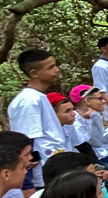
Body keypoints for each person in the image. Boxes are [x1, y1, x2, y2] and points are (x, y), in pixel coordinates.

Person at [8, 49, 68, 189]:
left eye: (55, 65)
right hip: (43, 171)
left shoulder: (39, 97)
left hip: (53, 164)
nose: (56, 70)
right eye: (51, 67)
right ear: (34, 73)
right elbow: (26, 138)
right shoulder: (29, 101)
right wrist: (28, 183)